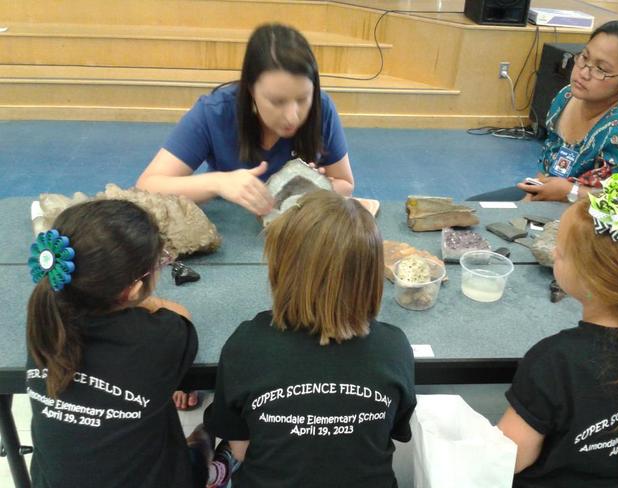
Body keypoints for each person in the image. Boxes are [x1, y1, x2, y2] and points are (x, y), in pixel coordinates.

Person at [202, 190, 416, 488]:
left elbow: (239, 447)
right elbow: (393, 430)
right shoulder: (394, 347)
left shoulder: (245, 345)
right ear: (371, 275)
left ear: (282, 268)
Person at [26, 200, 206, 488]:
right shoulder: (158, 337)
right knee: (204, 437)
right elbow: (180, 314)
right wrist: (139, 300)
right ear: (133, 289)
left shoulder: (45, 322)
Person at [497, 174, 618, 487]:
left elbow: (508, 458)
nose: (554, 253)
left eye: (561, 250)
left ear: (591, 279)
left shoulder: (555, 361)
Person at [136, 23, 354, 216]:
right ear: (250, 89)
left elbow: (345, 184)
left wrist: (315, 188)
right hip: (228, 220)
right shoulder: (214, 113)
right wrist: (218, 182)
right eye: (277, 101)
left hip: (294, 224)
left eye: (302, 99)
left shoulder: (321, 108)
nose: (292, 116)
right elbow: (146, 186)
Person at [469, 20, 618, 202]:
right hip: (550, 198)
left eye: (601, 69)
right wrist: (527, 203)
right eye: (584, 57)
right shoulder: (566, 96)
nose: (583, 73)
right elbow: (546, 170)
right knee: (475, 208)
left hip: (587, 215)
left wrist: (571, 192)